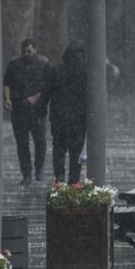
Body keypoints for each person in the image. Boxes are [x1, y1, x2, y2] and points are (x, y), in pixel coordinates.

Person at [4, 38, 50, 184]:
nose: (26, 54)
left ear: (35, 50)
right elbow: (7, 83)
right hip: (19, 109)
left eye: (29, 51)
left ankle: (39, 169)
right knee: (22, 144)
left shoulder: (43, 64)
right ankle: (26, 174)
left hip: (37, 110)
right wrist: (7, 99)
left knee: (40, 142)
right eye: (24, 51)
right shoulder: (14, 64)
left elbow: (48, 86)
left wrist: (37, 97)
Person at [47, 40, 88, 184]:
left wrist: (42, 110)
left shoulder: (57, 70)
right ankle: (73, 180)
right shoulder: (86, 72)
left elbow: (48, 92)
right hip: (78, 119)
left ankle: (60, 176)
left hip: (60, 118)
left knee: (59, 148)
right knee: (75, 151)